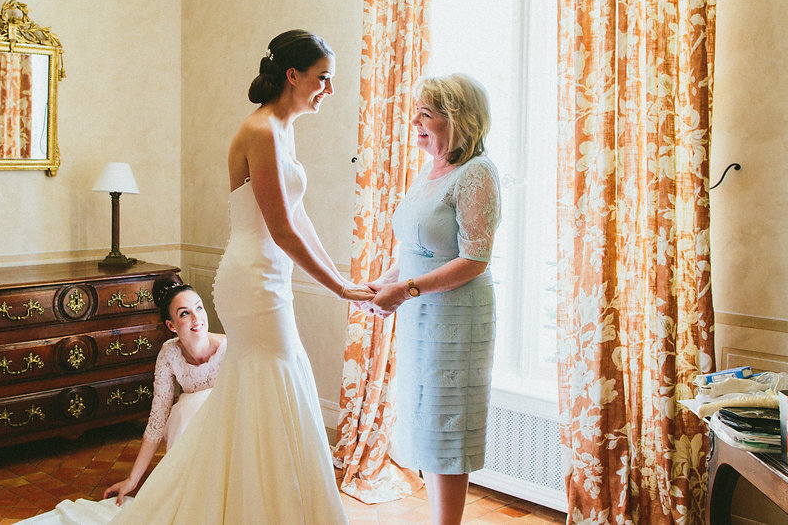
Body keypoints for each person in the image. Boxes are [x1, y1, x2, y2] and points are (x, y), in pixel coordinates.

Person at [105, 30, 372, 524]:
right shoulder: (261, 131)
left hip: (268, 276)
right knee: (274, 377)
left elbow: (301, 219)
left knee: (267, 384)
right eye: (323, 79)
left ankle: (263, 505)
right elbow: (283, 229)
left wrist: (343, 277)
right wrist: (340, 290)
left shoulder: (283, 130)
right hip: (253, 280)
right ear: (293, 75)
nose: (329, 90)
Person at [365, 73, 502, 525]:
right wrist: (384, 283)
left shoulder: (477, 172)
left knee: (446, 428)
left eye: (426, 114)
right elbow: (415, 250)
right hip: (422, 313)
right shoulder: (430, 171)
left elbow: (474, 259)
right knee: (424, 420)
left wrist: (403, 291)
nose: (415, 123)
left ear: (458, 119)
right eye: (416, 113)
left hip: (457, 318)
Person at [103, 276, 226, 505]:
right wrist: (132, 479)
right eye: (184, 313)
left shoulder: (229, 348)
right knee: (184, 408)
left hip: (229, 433)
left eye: (198, 307)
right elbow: (158, 420)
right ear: (171, 325)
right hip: (191, 434)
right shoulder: (169, 353)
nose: (196, 317)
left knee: (192, 403)